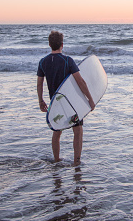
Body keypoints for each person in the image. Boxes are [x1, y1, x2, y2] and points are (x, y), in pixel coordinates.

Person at [37, 31, 95, 166]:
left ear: (50, 44)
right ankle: (76, 162)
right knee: (78, 130)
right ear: (62, 45)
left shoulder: (43, 62)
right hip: (71, 105)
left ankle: (56, 160)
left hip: (55, 104)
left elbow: (39, 83)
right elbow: (81, 82)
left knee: (57, 131)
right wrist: (90, 100)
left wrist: (40, 101)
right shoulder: (68, 61)